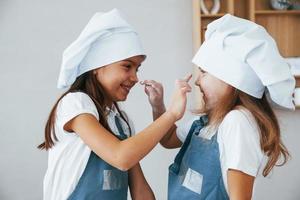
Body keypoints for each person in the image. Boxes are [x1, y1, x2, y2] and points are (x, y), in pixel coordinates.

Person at [38, 9, 192, 200]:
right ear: (97, 66)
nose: (135, 78)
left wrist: (158, 107)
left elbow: (140, 189)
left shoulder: (121, 121)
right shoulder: (76, 104)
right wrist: (172, 114)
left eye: (137, 68)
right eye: (127, 66)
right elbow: (121, 157)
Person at [143, 14, 295, 200]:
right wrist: (158, 105)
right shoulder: (207, 122)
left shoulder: (237, 122)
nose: (197, 81)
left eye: (204, 73)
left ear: (231, 80)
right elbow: (167, 139)